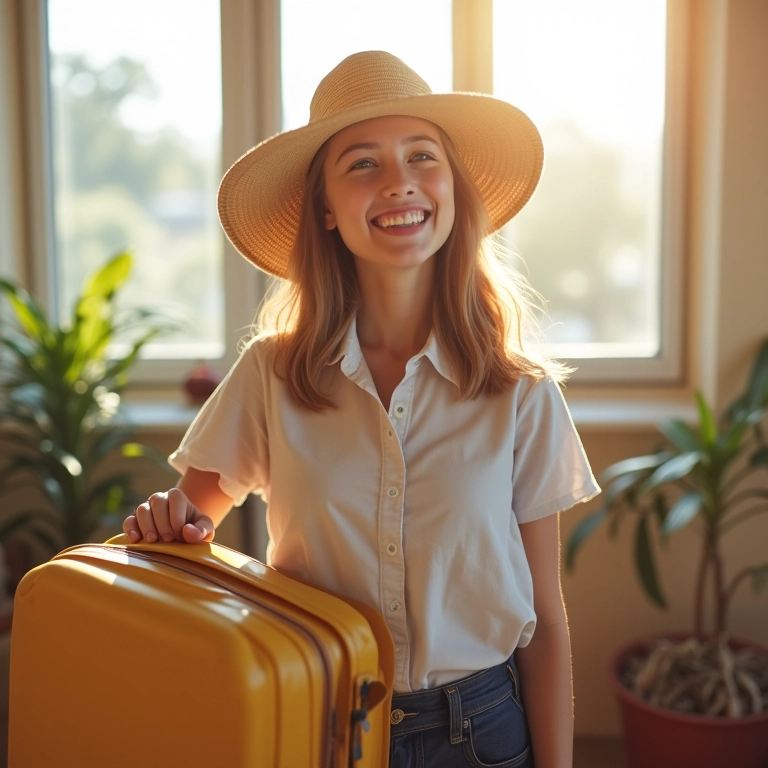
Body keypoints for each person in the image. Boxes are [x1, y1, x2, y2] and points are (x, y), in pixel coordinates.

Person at [123, 50, 600, 768]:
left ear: (453, 189)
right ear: (325, 207)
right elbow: (184, 543)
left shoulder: (521, 392)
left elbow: (546, 619)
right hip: (319, 724)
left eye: (421, 156)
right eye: (363, 164)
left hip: (482, 734)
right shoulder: (271, 375)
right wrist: (168, 528)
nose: (399, 182)